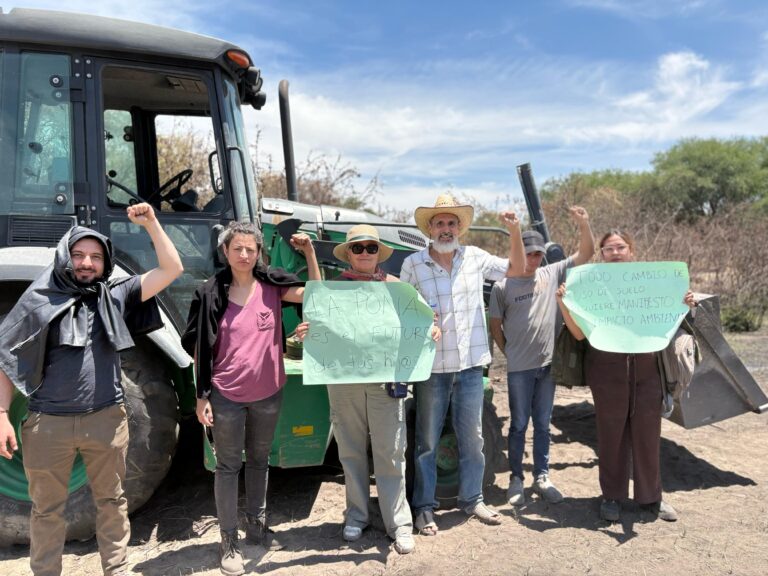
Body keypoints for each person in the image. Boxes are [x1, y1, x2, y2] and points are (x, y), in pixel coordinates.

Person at [0, 203, 183, 576]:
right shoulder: (38, 299)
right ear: (65, 257)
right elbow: (7, 359)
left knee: (112, 501)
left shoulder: (115, 296)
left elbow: (171, 269)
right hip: (48, 426)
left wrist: (151, 224)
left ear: (105, 263)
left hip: (106, 421)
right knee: (46, 509)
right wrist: (2, 414)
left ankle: (115, 569)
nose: (86, 263)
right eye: (79, 255)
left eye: (95, 257)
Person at [181, 221, 319, 576]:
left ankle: (256, 526)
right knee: (228, 467)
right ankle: (229, 541)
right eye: (237, 248)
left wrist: (310, 253)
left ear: (259, 254)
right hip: (226, 395)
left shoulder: (272, 286)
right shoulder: (210, 292)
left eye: (251, 249)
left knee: (259, 459)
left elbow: (315, 294)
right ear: (225, 252)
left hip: (269, 392)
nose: (244, 255)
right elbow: (198, 349)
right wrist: (202, 397)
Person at [295, 224, 440, 555]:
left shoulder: (398, 290)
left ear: (379, 253)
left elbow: (422, 322)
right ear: (348, 254)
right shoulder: (334, 291)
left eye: (370, 248)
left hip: (385, 382)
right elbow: (320, 325)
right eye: (357, 248)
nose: (364, 253)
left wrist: (431, 331)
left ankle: (399, 523)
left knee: (390, 452)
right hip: (343, 382)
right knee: (350, 451)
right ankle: (357, 515)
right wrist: (310, 333)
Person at [399, 194, 525, 536]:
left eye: (451, 223)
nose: (445, 228)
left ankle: (473, 499)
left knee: (474, 438)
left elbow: (516, 269)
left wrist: (514, 231)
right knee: (426, 442)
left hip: (470, 366)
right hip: (432, 369)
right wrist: (424, 325)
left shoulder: (476, 258)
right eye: (439, 223)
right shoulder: (413, 264)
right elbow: (404, 310)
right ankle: (424, 508)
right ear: (429, 228)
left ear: (459, 228)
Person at [555, 229, 697, 523]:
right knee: (611, 437)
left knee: (648, 436)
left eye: (620, 247)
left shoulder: (653, 284)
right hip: (606, 373)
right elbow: (579, 334)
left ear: (631, 250)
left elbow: (670, 319)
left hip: (647, 372)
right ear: (602, 255)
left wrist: (686, 302)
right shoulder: (591, 288)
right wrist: (563, 305)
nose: (615, 253)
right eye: (608, 249)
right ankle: (611, 497)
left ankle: (651, 499)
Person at [489, 207, 594, 507]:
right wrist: (507, 350)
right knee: (519, 424)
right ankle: (516, 478)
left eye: (537, 254)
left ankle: (542, 476)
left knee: (544, 424)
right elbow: (495, 323)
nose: (533, 259)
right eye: (528, 253)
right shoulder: (502, 286)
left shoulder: (552, 273)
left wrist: (584, 225)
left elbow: (586, 254)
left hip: (547, 366)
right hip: (519, 369)